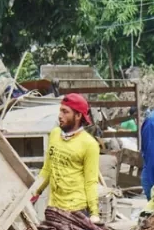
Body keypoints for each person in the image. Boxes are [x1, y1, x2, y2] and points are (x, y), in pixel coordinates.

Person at [31, 93, 102, 222]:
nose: (60, 116)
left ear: (78, 116)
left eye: (65, 112)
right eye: (60, 111)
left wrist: (94, 213)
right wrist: (34, 193)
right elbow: (47, 169)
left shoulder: (89, 144)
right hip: (53, 209)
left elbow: (90, 181)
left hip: (76, 211)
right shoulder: (55, 134)